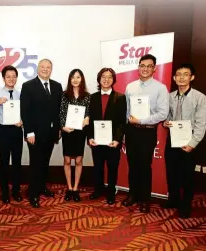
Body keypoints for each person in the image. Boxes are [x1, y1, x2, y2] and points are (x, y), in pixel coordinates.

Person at [124, 54, 169, 213]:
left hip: (147, 132)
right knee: (133, 164)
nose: (145, 69)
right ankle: (133, 194)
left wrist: (141, 121)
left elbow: (163, 114)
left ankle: (144, 198)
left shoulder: (160, 88)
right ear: (138, 67)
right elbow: (127, 112)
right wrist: (125, 130)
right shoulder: (130, 86)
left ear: (154, 69)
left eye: (149, 66)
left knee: (144, 166)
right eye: (142, 65)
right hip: (131, 132)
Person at [162, 63, 206, 218]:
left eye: (185, 74)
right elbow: (167, 116)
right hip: (173, 139)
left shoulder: (200, 98)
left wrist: (192, 144)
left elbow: (201, 125)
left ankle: (185, 204)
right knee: (171, 172)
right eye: (178, 74)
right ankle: (173, 199)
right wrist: (165, 122)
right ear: (174, 78)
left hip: (189, 141)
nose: (181, 77)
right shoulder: (170, 96)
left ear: (192, 77)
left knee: (187, 175)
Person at [20, 59, 63, 208]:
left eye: (48, 67)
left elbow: (58, 110)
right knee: (35, 164)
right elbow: (25, 111)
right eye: (42, 67)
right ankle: (33, 193)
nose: (45, 69)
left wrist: (58, 129)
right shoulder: (28, 86)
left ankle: (42, 187)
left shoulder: (57, 86)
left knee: (45, 162)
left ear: (51, 69)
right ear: (37, 68)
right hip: (35, 134)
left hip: (51, 133)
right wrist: (29, 132)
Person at [88, 68, 127, 204]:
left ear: (113, 80)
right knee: (98, 167)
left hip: (112, 142)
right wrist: (90, 137)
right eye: (103, 76)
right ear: (99, 79)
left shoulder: (120, 97)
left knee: (112, 168)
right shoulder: (92, 97)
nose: (106, 79)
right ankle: (98, 190)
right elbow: (89, 120)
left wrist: (117, 139)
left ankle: (111, 192)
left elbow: (122, 122)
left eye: (110, 77)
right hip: (96, 141)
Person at [0, 65, 23, 204]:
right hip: (3, 131)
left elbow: (24, 113)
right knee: (4, 162)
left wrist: (22, 121)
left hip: (16, 130)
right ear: (3, 78)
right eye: (8, 76)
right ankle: (4, 192)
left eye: (13, 76)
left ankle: (16, 191)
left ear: (16, 78)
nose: (11, 79)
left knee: (17, 162)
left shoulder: (20, 93)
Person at [59, 69, 90, 202]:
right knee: (67, 160)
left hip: (80, 132)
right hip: (68, 131)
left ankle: (76, 188)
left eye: (78, 77)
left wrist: (87, 118)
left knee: (78, 160)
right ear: (70, 79)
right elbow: (60, 113)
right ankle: (69, 188)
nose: (75, 80)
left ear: (82, 79)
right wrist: (62, 126)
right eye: (73, 77)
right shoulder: (64, 95)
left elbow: (88, 112)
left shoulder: (87, 96)